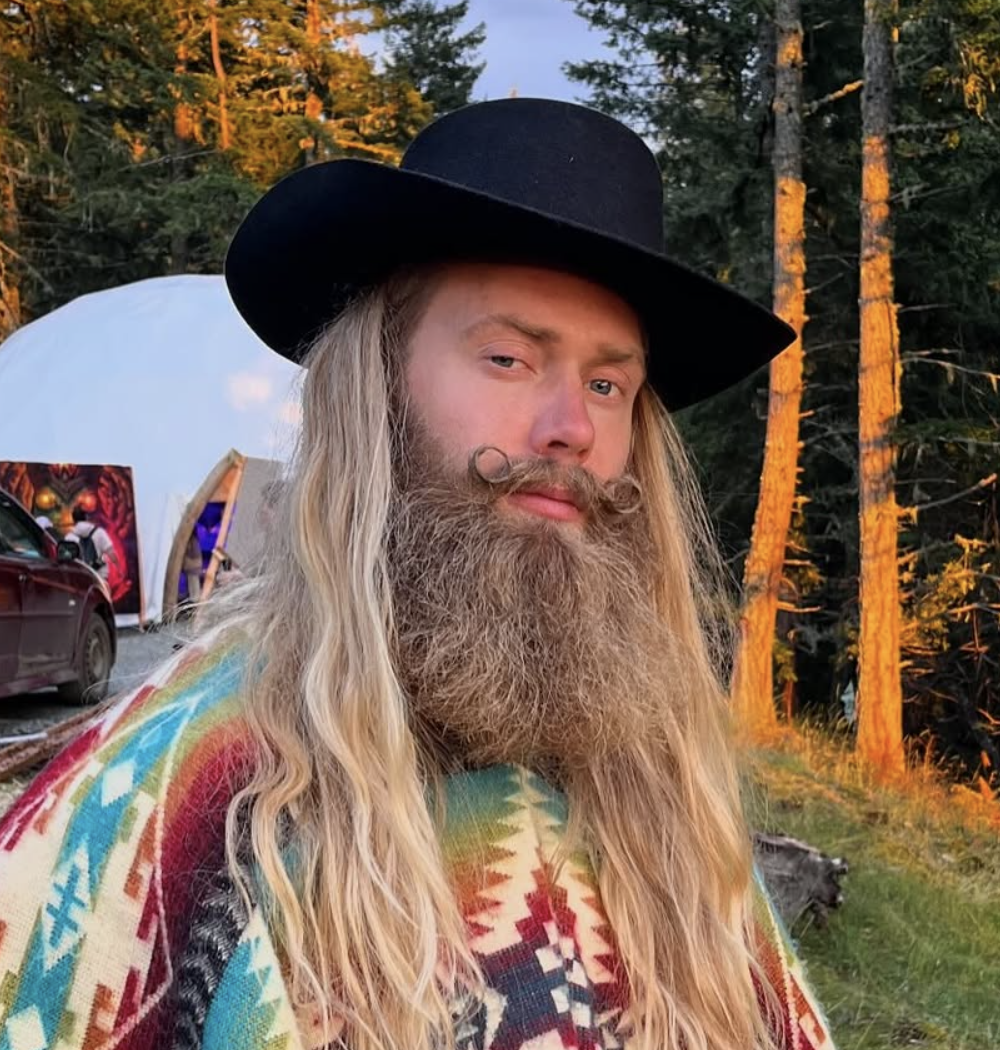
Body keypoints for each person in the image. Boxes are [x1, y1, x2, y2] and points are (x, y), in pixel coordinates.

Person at [0, 99, 835, 1050]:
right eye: (509, 357)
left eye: (609, 383)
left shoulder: (670, 796)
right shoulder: (204, 791)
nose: (573, 424)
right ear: (378, 386)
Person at [64, 505, 119, 580]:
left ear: (74, 519)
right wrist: (118, 568)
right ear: (86, 517)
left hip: (80, 579)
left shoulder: (69, 537)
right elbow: (111, 553)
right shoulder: (99, 532)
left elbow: (67, 561)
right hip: (100, 578)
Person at [183, 527, 204, 603]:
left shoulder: (193, 541)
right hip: (192, 569)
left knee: (194, 592)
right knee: (193, 589)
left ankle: (195, 605)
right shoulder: (192, 540)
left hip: (193, 569)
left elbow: (196, 556)